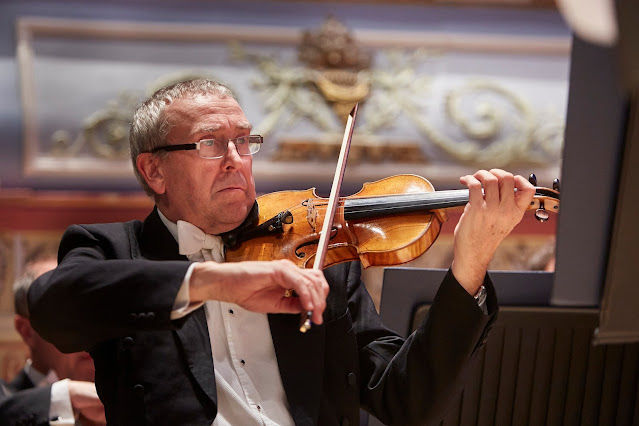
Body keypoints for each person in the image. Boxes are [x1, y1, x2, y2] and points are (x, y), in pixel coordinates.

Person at [28, 78, 535, 426]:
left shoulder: (319, 261)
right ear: (154, 171)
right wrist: (212, 280)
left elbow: (407, 401)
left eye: (244, 141)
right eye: (210, 144)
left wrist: (470, 261)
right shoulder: (115, 249)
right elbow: (54, 305)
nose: (235, 160)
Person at [1, 255, 105, 425]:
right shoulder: (6, 401)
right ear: (26, 331)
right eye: (68, 315)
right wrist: (65, 396)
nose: (89, 332)